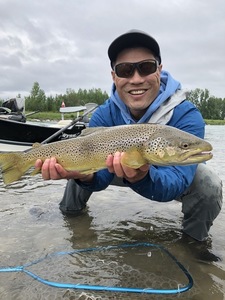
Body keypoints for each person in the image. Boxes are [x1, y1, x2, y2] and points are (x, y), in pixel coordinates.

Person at [35, 30, 222, 249]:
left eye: (146, 67)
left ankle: (193, 247)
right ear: (114, 76)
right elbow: (101, 177)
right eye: (125, 70)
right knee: (80, 161)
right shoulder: (104, 114)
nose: (136, 79)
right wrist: (83, 177)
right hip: (107, 166)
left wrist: (140, 176)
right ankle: (71, 220)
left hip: (157, 171)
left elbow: (176, 183)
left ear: (159, 70)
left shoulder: (187, 116)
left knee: (208, 183)